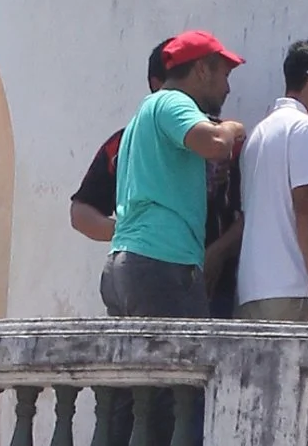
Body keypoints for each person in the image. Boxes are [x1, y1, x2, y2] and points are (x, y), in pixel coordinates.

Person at [73, 45, 242, 298]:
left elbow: (249, 214)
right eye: (223, 75)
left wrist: (216, 253)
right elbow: (81, 212)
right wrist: (138, 235)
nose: (227, 88)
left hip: (194, 272)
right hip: (165, 266)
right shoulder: (133, 135)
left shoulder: (211, 136)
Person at [236, 40, 308, 321]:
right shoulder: (304, 127)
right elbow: (305, 205)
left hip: (250, 290)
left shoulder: (259, 133)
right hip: (291, 287)